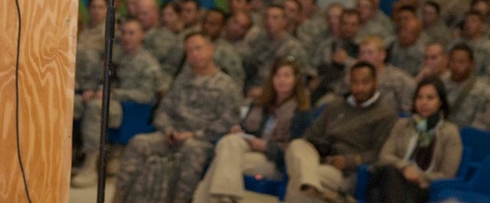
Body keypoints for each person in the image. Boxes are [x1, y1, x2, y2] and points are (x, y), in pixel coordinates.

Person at [112, 32, 241, 203]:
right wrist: (168, 129)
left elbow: (227, 122)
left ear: (211, 49)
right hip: (171, 137)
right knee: (139, 142)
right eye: (189, 51)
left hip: (202, 141)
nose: (194, 54)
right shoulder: (182, 81)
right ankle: (119, 198)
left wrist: (194, 135)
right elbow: (164, 111)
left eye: (198, 48)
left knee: (192, 149)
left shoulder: (226, 85)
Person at [192, 57, 313, 203]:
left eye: (286, 76)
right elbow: (248, 129)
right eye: (277, 75)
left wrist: (267, 147)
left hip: (275, 161)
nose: (281, 80)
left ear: (295, 80)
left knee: (224, 160)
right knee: (229, 141)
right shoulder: (261, 103)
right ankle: (224, 196)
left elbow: (298, 151)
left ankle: (217, 199)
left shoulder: (302, 112)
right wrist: (240, 130)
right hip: (250, 147)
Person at [283, 61, 398, 203]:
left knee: (299, 179)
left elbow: (379, 153)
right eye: (355, 83)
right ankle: (313, 185)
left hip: (347, 171)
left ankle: (311, 184)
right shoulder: (335, 106)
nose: (359, 88)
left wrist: (348, 161)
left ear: (375, 82)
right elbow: (311, 135)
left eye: (365, 82)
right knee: (297, 144)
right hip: (319, 159)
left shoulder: (385, 113)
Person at [71, 17, 163, 189]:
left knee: (97, 107)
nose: (126, 37)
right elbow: (100, 77)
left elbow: (145, 95)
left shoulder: (148, 64)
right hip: (104, 97)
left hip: (126, 108)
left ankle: (90, 166)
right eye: (124, 32)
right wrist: (92, 89)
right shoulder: (115, 54)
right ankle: (65, 153)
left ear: (142, 36)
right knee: (71, 103)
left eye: (132, 33)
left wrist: (112, 94)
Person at [367, 76, 463, 203]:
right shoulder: (402, 124)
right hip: (394, 177)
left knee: (381, 191)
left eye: (430, 98)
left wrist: (419, 176)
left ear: (440, 102)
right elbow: (384, 156)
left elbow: (447, 175)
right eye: (419, 97)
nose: (423, 102)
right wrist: (405, 167)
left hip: (422, 187)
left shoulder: (450, 132)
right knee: (389, 174)